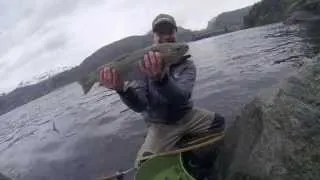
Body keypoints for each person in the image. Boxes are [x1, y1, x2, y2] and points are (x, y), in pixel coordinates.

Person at [99, 14, 225, 178]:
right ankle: (173, 147)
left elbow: (182, 98)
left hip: (187, 116)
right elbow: (140, 105)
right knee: (143, 165)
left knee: (218, 123)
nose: (166, 37)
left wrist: (161, 80)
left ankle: (193, 159)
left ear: (175, 33)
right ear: (154, 37)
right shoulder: (142, 65)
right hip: (160, 126)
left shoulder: (187, 65)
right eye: (160, 33)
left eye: (169, 31)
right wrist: (122, 90)